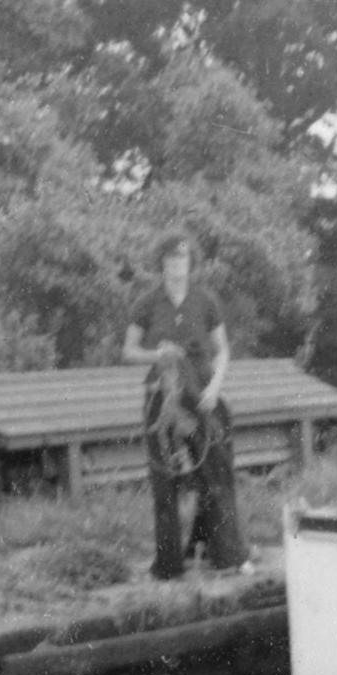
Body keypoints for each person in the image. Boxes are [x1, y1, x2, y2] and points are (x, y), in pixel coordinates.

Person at [123, 232, 248, 579]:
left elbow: (222, 349)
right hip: (163, 394)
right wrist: (156, 354)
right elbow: (128, 351)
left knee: (217, 472)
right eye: (170, 259)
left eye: (183, 259)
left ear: (191, 262)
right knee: (166, 481)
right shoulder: (146, 303)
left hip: (202, 392)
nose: (177, 265)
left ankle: (228, 557)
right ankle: (168, 566)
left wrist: (215, 387)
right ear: (161, 263)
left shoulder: (205, 300)